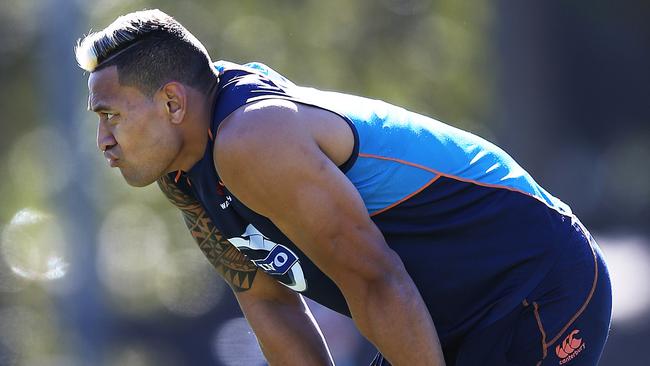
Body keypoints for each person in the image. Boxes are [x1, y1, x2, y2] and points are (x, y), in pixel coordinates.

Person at [75, 9, 612, 366]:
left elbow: (377, 280)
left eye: (110, 115)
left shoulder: (250, 140)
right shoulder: (185, 171)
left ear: (172, 103)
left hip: (534, 282)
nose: (102, 139)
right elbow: (272, 306)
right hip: (450, 315)